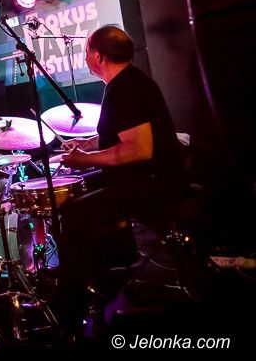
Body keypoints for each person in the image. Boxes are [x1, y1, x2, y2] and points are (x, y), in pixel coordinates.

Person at [53, 25, 188, 333]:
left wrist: (84, 160)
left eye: (87, 51)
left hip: (155, 185)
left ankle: (69, 308)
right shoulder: (128, 82)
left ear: (99, 56)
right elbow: (121, 135)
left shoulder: (125, 89)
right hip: (151, 180)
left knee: (73, 213)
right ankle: (112, 271)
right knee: (84, 195)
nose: (85, 57)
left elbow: (137, 150)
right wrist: (88, 144)